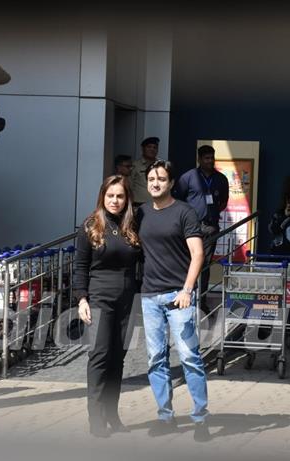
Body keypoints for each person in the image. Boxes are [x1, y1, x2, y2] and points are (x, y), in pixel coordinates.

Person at [136, 159, 210, 442]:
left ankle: (200, 419)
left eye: (162, 178)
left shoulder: (184, 212)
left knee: (190, 357)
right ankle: (165, 417)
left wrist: (187, 290)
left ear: (171, 183)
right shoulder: (141, 213)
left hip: (178, 296)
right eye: (152, 178)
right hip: (150, 295)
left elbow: (198, 254)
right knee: (156, 359)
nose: (156, 182)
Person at [73, 175, 141, 438]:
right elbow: (80, 266)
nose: (115, 201)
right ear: (103, 196)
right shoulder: (90, 225)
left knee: (118, 359)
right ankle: (96, 418)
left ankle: (112, 414)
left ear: (127, 199)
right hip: (99, 298)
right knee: (100, 357)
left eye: (120, 196)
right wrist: (82, 299)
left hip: (128, 300)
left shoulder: (132, 225)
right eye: (110, 195)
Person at [174, 144, 229, 296]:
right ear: (199, 159)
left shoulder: (221, 179)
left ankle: (201, 299)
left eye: (212, 158)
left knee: (205, 264)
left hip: (210, 227)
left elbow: (223, 202)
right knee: (188, 261)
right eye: (206, 158)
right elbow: (178, 200)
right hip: (191, 227)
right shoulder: (188, 177)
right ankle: (185, 295)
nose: (210, 161)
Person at [130, 136, 160, 207]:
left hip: (157, 203)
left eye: (155, 147)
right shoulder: (135, 165)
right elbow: (129, 186)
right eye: (149, 147)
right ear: (143, 149)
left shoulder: (161, 165)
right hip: (139, 204)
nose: (152, 149)